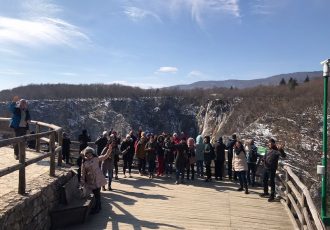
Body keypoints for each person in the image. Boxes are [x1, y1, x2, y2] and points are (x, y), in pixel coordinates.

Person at [80, 146, 112, 214]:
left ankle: (97, 208)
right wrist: (82, 181)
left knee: (97, 193)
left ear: (92, 153)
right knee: (96, 194)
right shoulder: (84, 163)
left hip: (98, 179)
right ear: (85, 154)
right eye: (87, 154)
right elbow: (82, 173)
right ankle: (98, 206)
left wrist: (109, 149)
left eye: (90, 153)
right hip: (91, 180)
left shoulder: (96, 159)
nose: (89, 155)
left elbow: (105, 156)